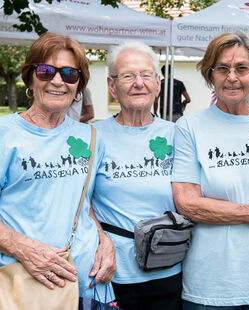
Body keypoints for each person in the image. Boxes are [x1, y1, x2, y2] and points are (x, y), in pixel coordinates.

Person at [0, 33, 116, 305]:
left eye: (69, 73)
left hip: (85, 282)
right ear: (30, 77)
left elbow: (83, 202)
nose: (57, 80)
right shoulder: (0, 133)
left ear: (79, 84)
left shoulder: (90, 137)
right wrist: (23, 249)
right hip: (26, 282)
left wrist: (104, 240)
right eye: (46, 71)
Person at [172, 31, 249, 309]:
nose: (232, 77)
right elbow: (187, 204)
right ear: (210, 75)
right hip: (210, 284)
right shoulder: (190, 128)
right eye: (222, 68)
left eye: (241, 68)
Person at [91, 41, 182, 310]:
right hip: (110, 273)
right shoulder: (93, 136)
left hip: (169, 272)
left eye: (146, 75)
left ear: (158, 84)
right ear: (111, 85)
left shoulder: (179, 135)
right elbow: (77, 199)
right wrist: (101, 237)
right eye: (128, 76)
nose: (138, 83)